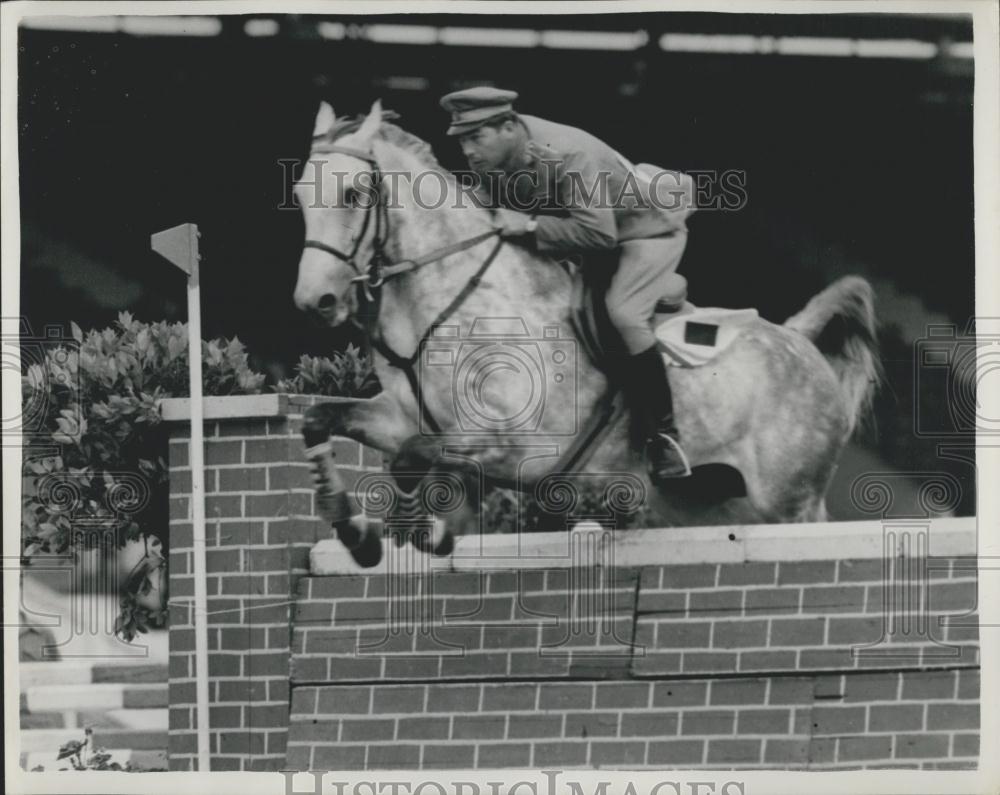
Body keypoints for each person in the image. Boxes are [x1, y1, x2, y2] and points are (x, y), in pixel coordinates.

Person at [440, 86, 695, 480]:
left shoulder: (569, 154)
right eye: (462, 141)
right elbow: (486, 204)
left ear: (509, 126)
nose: (468, 151)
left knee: (623, 314)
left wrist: (526, 225)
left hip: (644, 235)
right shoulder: (493, 157)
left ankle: (664, 436)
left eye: (476, 137)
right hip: (585, 240)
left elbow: (600, 234)